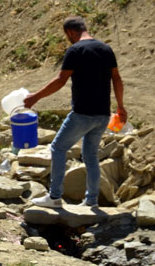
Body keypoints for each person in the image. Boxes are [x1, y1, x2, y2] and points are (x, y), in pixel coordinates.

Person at [24, 16, 126, 207]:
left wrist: (35, 97)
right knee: (91, 156)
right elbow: (117, 79)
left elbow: (60, 80)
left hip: (82, 113)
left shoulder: (75, 50)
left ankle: (54, 197)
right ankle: (92, 201)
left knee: (58, 148)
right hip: (103, 114)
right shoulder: (106, 49)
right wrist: (120, 106)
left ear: (70, 32)